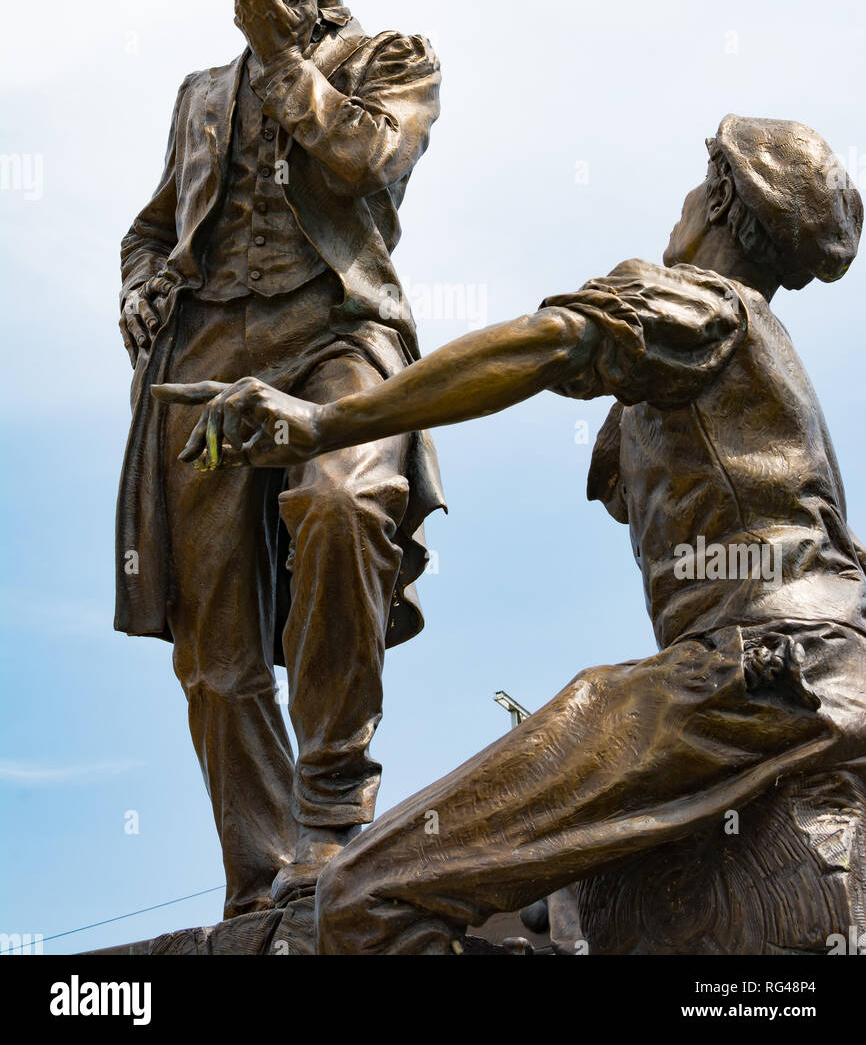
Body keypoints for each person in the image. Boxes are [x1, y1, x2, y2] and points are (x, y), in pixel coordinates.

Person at [157, 115, 866, 953]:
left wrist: (326, 423)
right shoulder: (757, 366)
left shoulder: (700, 304)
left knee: (361, 896)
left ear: (717, 195)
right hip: (818, 669)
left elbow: (551, 344)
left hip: (748, 672)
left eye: (695, 182)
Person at [117, 0, 444, 917]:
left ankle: (331, 809)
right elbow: (153, 227)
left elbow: (361, 161)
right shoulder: (198, 93)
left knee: (347, 505)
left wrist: (282, 58)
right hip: (205, 354)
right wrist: (141, 287)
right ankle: (261, 888)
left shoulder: (394, 60)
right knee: (214, 639)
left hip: (333, 336)